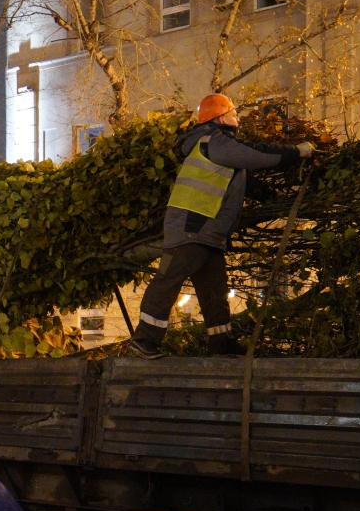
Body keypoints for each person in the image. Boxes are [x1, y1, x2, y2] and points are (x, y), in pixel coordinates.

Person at [129, 93, 314, 359]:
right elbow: (257, 155)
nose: (238, 117)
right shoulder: (213, 140)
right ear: (220, 117)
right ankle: (145, 339)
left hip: (208, 232)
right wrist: (299, 151)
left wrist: (277, 199)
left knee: (215, 291)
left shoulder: (220, 150)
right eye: (234, 113)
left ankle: (221, 345)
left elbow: (245, 182)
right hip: (191, 226)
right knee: (169, 279)